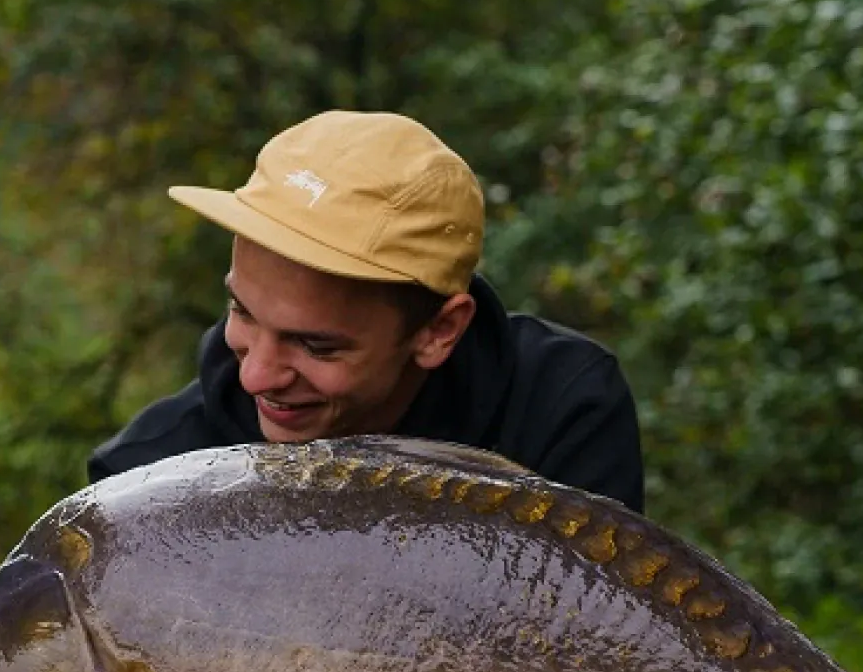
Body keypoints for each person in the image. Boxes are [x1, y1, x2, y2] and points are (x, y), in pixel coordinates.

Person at [86, 110, 645, 513]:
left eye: (316, 345)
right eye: (243, 312)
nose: (255, 375)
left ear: (439, 331)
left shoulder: (566, 412)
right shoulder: (140, 485)